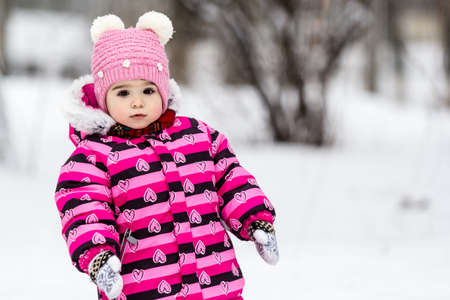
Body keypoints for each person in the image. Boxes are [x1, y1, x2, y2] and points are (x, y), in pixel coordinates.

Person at [54, 11, 279, 300]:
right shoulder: (93, 159)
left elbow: (231, 177)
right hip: (142, 289)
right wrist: (99, 259)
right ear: (103, 97)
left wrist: (256, 219)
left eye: (148, 90)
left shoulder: (198, 137)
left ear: (162, 90)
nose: (137, 101)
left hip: (215, 284)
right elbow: (85, 211)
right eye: (122, 93)